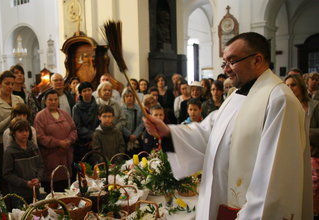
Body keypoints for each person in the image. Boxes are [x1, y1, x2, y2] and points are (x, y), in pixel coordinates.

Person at [143, 32, 312, 219]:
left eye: (232, 61)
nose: (227, 69)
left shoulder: (279, 100)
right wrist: (168, 132)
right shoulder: (236, 96)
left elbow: (274, 178)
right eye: (225, 63)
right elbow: (209, 133)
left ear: (257, 60)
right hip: (216, 199)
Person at [284, 74, 319, 215]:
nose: (290, 88)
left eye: (293, 85)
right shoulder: (283, 106)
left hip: (312, 155)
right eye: (286, 86)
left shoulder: (314, 106)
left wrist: (303, 133)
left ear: (301, 87)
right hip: (290, 157)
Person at [0, 70, 24, 193]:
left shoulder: (18, 99)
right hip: (2, 144)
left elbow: (25, 121)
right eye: (7, 83)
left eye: (12, 84)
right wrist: (13, 115)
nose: (10, 87)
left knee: (20, 173)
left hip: (20, 141)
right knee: (6, 177)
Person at [34, 89, 77, 192]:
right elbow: (40, 137)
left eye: (55, 99)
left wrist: (69, 140)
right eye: (50, 100)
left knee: (67, 188)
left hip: (66, 157)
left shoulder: (65, 114)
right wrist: (58, 142)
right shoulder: (40, 116)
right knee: (53, 189)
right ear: (45, 101)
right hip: (50, 158)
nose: (53, 102)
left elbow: (73, 129)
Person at [3, 118, 44, 208]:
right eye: (20, 131)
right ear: (14, 133)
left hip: (34, 191)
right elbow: (7, 174)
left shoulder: (33, 147)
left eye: (26, 130)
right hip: (18, 194)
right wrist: (25, 183)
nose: (25, 133)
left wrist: (38, 178)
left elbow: (41, 165)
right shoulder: (10, 151)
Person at [72, 82, 99, 163]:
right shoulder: (76, 108)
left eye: (89, 90)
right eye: (84, 91)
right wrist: (92, 135)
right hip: (83, 143)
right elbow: (78, 126)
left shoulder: (97, 105)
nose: (87, 92)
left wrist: (96, 136)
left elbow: (100, 122)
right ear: (80, 93)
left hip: (97, 140)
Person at [121, 88, 144, 155]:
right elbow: (121, 124)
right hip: (125, 137)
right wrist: (129, 135)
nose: (129, 98)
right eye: (127, 96)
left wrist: (135, 135)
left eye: (131, 96)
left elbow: (142, 123)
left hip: (137, 137)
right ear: (123, 97)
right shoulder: (121, 109)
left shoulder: (139, 108)